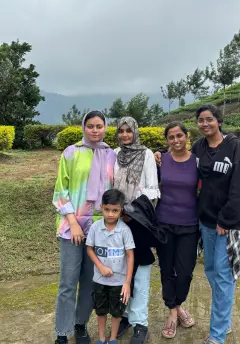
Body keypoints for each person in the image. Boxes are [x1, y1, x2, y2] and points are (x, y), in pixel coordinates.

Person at [53, 110, 116, 344]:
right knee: (68, 282)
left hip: (100, 229)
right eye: (91, 126)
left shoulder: (111, 155)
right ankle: (62, 330)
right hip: (73, 228)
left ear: (105, 127)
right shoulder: (71, 153)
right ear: (83, 127)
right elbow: (60, 192)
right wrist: (73, 222)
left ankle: (80, 324)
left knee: (91, 282)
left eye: (99, 126)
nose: (95, 130)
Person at [193, 104, 240, 344]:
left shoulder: (235, 147)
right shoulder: (199, 147)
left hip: (229, 224)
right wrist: (158, 154)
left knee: (224, 276)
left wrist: (226, 220)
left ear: (219, 120)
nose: (205, 124)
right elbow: (181, 161)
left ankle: (217, 336)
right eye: (200, 120)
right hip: (206, 221)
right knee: (211, 271)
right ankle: (224, 320)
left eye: (209, 119)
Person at [114, 116, 161, 344]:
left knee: (140, 273)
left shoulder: (147, 154)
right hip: (116, 221)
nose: (124, 135)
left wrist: (131, 211)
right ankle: (123, 316)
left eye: (128, 131)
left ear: (135, 131)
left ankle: (140, 322)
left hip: (138, 222)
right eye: (121, 131)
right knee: (121, 271)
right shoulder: (115, 154)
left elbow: (152, 190)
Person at [156, 121, 199, 339]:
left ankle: (178, 303)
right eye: (171, 137)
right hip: (164, 222)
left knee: (184, 272)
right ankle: (173, 312)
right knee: (166, 269)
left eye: (179, 135)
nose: (176, 140)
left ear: (187, 136)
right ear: (167, 140)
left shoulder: (197, 161)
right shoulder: (160, 160)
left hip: (190, 224)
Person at [86, 189, 135, 344]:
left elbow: (130, 255)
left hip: (118, 282)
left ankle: (113, 339)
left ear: (121, 210)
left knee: (116, 313)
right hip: (100, 281)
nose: (110, 214)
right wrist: (100, 266)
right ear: (101, 207)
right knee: (100, 311)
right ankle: (101, 339)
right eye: (107, 210)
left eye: (115, 211)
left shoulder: (125, 231)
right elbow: (89, 249)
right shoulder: (94, 228)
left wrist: (127, 283)